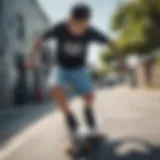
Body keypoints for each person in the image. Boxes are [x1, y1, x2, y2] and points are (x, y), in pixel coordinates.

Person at [26, 3, 118, 139]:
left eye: (83, 25)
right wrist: (31, 58)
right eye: (76, 25)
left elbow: (111, 42)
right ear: (69, 20)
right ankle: (69, 117)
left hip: (79, 68)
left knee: (89, 97)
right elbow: (39, 40)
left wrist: (121, 61)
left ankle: (89, 114)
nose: (79, 29)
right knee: (54, 87)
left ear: (87, 22)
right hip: (61, 67)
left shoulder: (90, 31)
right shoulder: (59, 28)